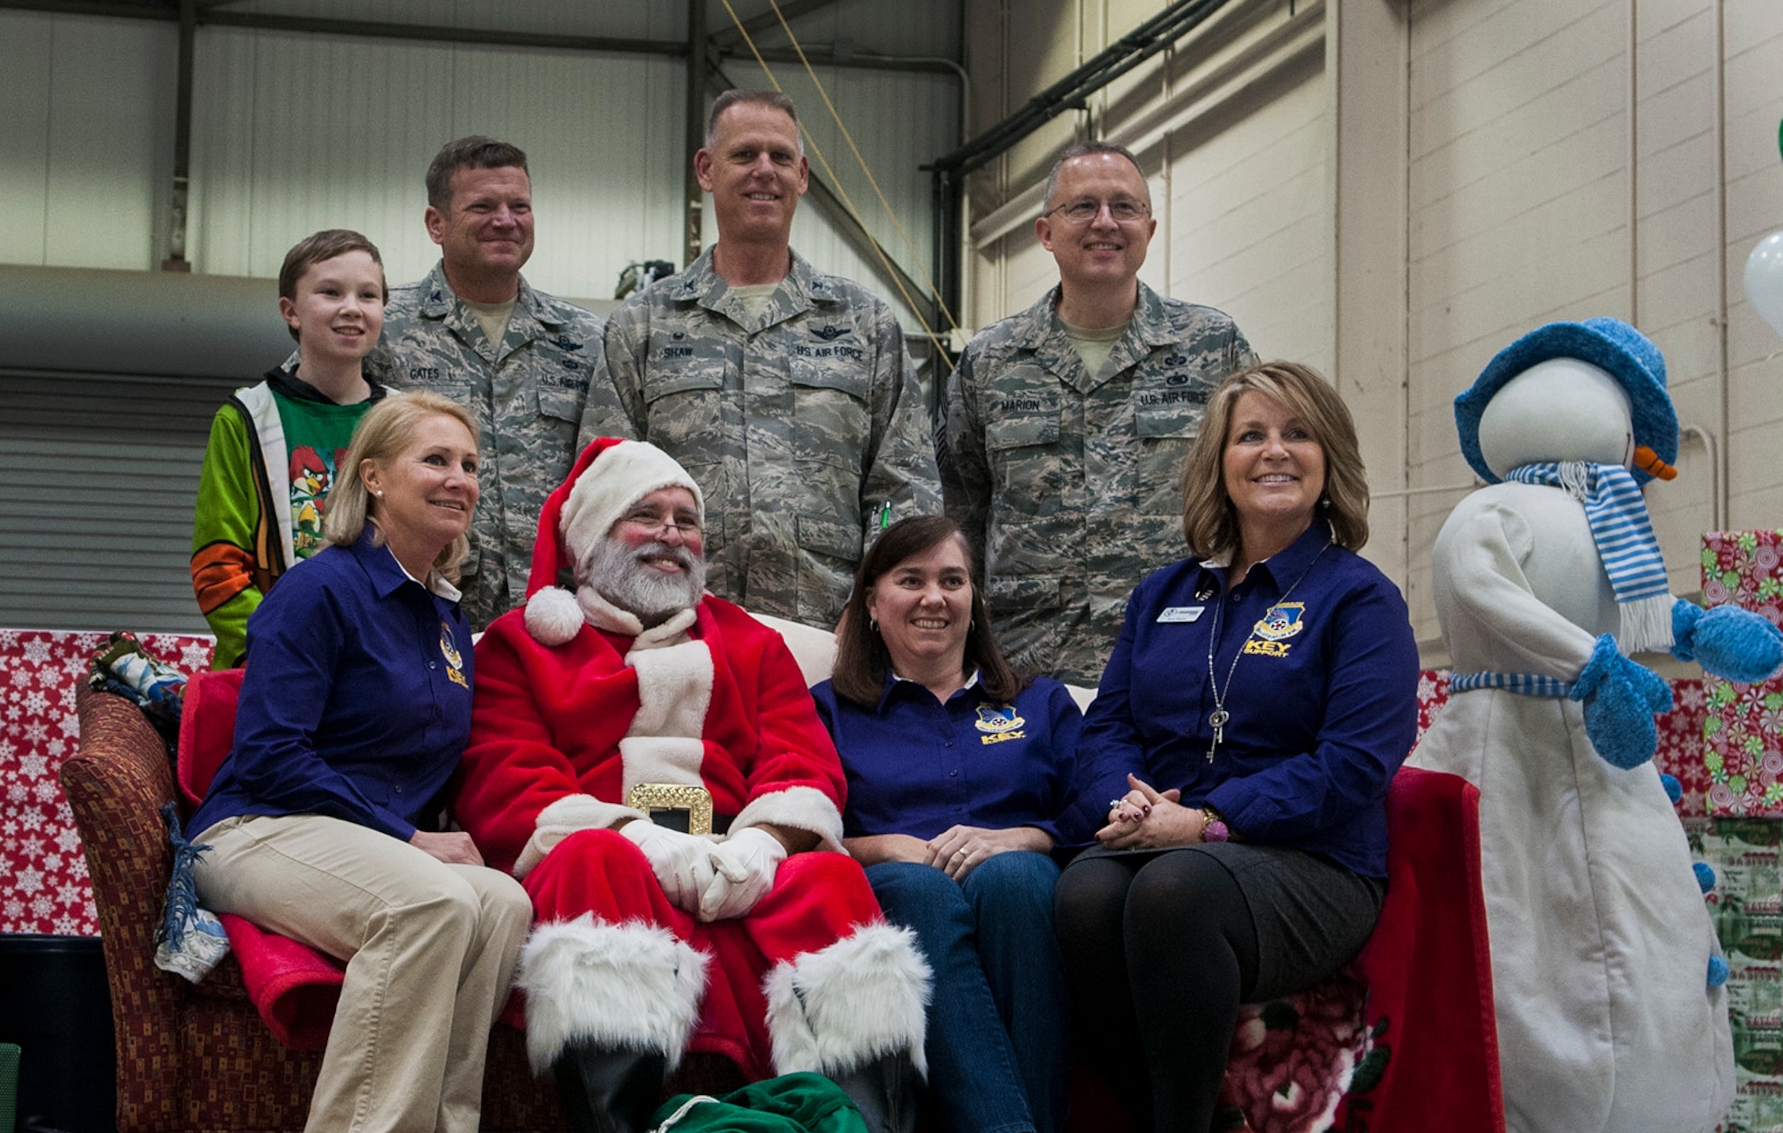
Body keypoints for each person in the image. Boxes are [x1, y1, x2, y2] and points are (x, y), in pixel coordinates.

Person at [452, 437, 956, 1133]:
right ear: (590, 536)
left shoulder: (749, 642)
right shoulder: (518, 644)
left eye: (686, 519)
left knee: (832, 877)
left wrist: (761, 843)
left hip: (736, 863)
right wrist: (642, 839)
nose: (670, 533)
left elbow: (802, 761)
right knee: (589, 867)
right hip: (608, 855)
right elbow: (506, 778)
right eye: (645, 514)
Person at [1052, 362, 1418, 1133]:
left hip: (1314, 864)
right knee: (1083, 896)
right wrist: (1127, 799)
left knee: (1174, 889)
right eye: (1250, 435)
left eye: (1296, 432)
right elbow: (1107, 729)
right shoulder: (1165, 594)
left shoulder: (1358, 598)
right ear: (1219, 463)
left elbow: (1354, 764)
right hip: (1172, 841)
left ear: (1328, 457)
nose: (1273, 452)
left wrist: (1208, 818)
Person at [187, 393, 532, 1133]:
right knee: (429, 901)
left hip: (364, 845)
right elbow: (267, 753)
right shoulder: (319, 589)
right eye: (435, 460)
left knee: (499, 901)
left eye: (469, 465)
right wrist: (409, 838)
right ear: (372, 477)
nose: (459, 479)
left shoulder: (445, 617)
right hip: (257, 830)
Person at [810, 514, 1078, 1133]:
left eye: (952, 580)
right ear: (870, 601)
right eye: (911, 579)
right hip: (889, 885)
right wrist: (879, 845)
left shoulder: (1039, 703)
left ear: (975, 599)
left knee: (1019, 880)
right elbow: (798, 821)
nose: (935, 597)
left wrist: (1019, 835)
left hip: (1018, 883)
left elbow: (1089, 811)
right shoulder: (827, 708)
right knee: (921, 891)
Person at [581, 89, 941, 630]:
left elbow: (902, 487)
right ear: (706, 169)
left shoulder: (864, 323)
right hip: (677, 630)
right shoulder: (644, 324)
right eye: (744, 155)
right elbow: (603, 483)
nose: (763, 171)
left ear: (802, 175)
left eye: (780, 157)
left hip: (829, 629)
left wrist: (871, 601)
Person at [937, 141, 1254, 688]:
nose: (1105, 222)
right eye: (1082, 206)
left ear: (1149, 232)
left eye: (1124, 207)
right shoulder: (989, 361)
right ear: (1045, 233)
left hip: (1180, 656)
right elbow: (958, 514)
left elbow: (1253, 498)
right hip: (1027, 665)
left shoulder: (1213, 348)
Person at [368, 135, 603, 630]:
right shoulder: (383, 327)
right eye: (483, 206)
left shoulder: (586, 340)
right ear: (437, 224)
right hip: (418, 609)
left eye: (520, 205)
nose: (505, 219)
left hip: (557, 615)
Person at [191, 229, 392, 668]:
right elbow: (216, 566)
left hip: (379, 668)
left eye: (369, 295)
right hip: (273, 665)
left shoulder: (405, 421)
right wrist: (287, 648)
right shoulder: (246, 417)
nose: (352, 308)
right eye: (330, 292)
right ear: (291, 311)